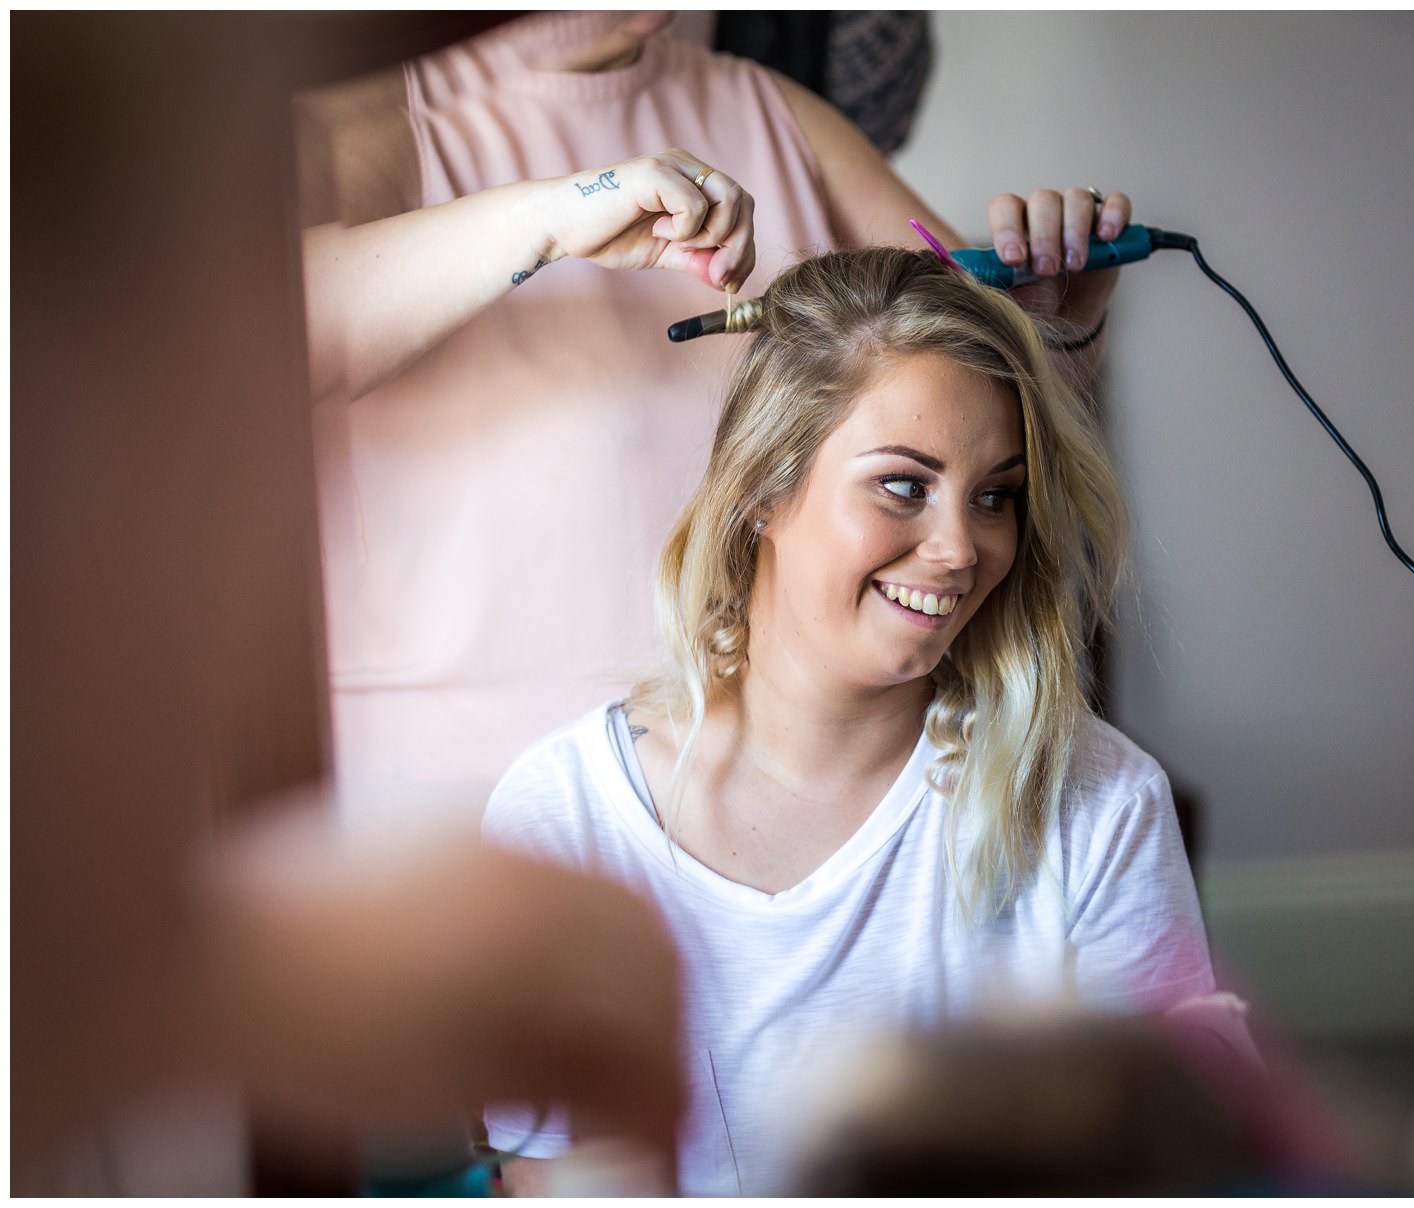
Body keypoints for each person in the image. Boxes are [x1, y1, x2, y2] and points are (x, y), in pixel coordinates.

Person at [480, 246, 1225, 1195]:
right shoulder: (569, 820)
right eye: (903, 485)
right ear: (761, 490)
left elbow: (1156, 1167)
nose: (963, 550)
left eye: (996, 496)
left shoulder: (1098, 802)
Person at [296, 11, 1133, 824]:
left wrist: (1054, 324)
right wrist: (549, 217)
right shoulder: (366, 109)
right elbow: (269, 342)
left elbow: (979, 417)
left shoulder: (772, 111)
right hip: (448, 808)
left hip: (739, 807)